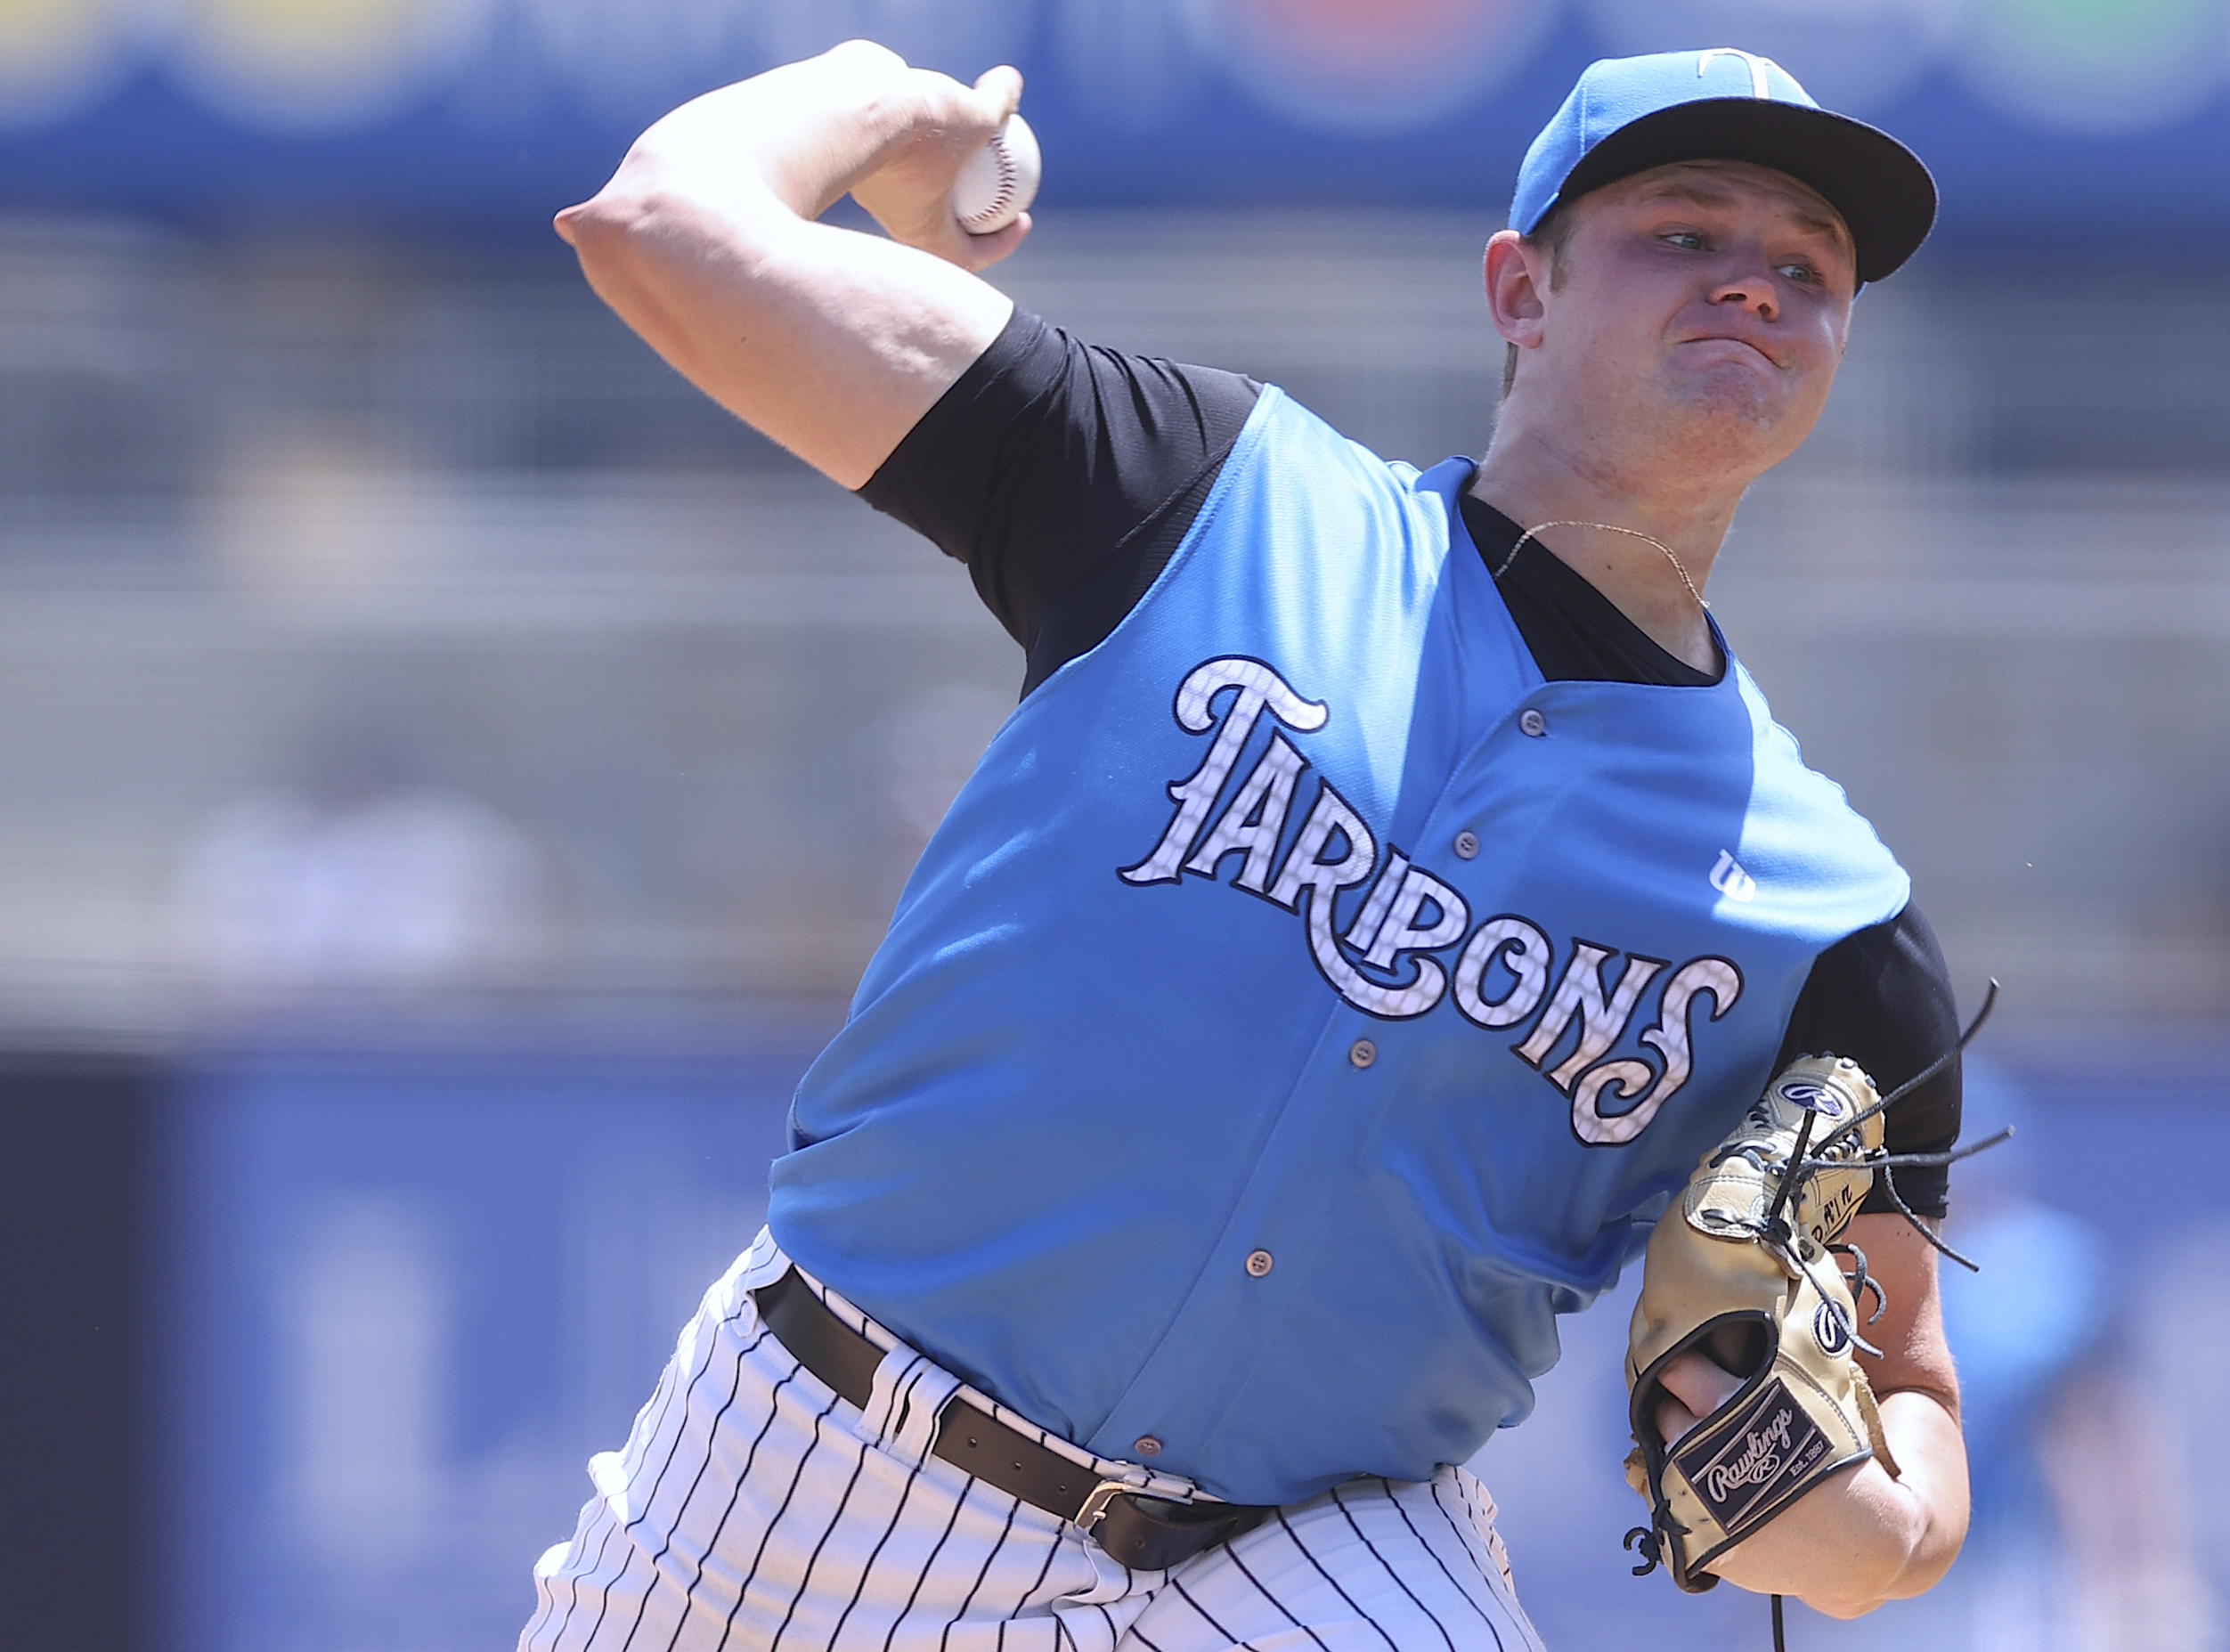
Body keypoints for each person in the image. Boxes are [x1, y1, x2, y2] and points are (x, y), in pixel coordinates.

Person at [526, 43, 1971, 1650]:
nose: (1752, 288)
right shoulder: (1195, 496)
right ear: (1519, 291)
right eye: (1683, 234)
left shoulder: (1827, 920)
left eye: (1805, 268)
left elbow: (1912, 1388)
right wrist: (887, 100)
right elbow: (660, 225)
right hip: (819, 1459)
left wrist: (1877, 1532)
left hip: (1306, 1558)